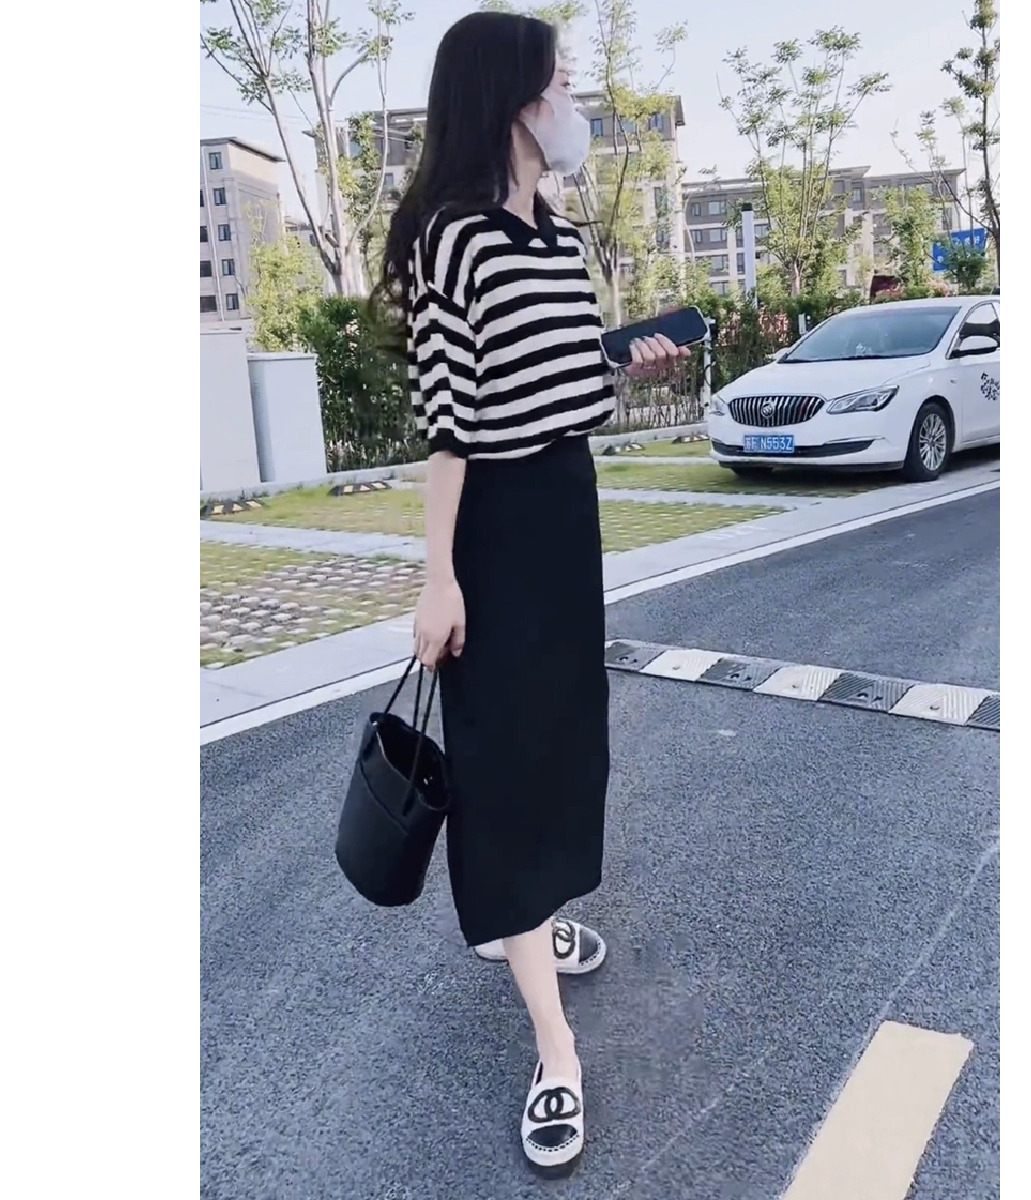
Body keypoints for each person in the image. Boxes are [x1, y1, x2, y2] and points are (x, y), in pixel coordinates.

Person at [376, 9, 687, 1179]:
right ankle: (555, 1049)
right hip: (495, 526)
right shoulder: (447, 237)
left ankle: (532, 921)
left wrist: (630, 363)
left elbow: (559, 388)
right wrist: (439, 576)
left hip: (565, 510)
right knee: (503, 764)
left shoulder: (557, 234)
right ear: (512, 98)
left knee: (561, 743)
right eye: (562, 85)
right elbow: (450, 425)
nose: (575, 106)